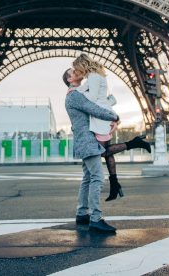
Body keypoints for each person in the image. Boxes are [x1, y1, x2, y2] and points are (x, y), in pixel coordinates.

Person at [63, 67, 150, 233]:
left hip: (85, 140)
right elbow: (94, 109)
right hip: (87, 141)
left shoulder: (78, 93)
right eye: (73, 72)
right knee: (97, 177)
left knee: (88, 177)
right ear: (69, 80)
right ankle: (95, 219)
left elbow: (97, 104)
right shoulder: (74, 95)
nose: (78, 71)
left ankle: (82, 213)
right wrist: (114, 117)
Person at [72, 53, 151, 201]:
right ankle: (115, 185)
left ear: (82, 65)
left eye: (77, 69)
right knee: (106, 152)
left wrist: (76, 94)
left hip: (101, 117)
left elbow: (92, 98)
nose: (77, 72)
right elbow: (86, 91)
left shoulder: (94, 77)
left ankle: (134, 143)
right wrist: (76, 90)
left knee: (101, 152)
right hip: (101, 115)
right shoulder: (94, 76)